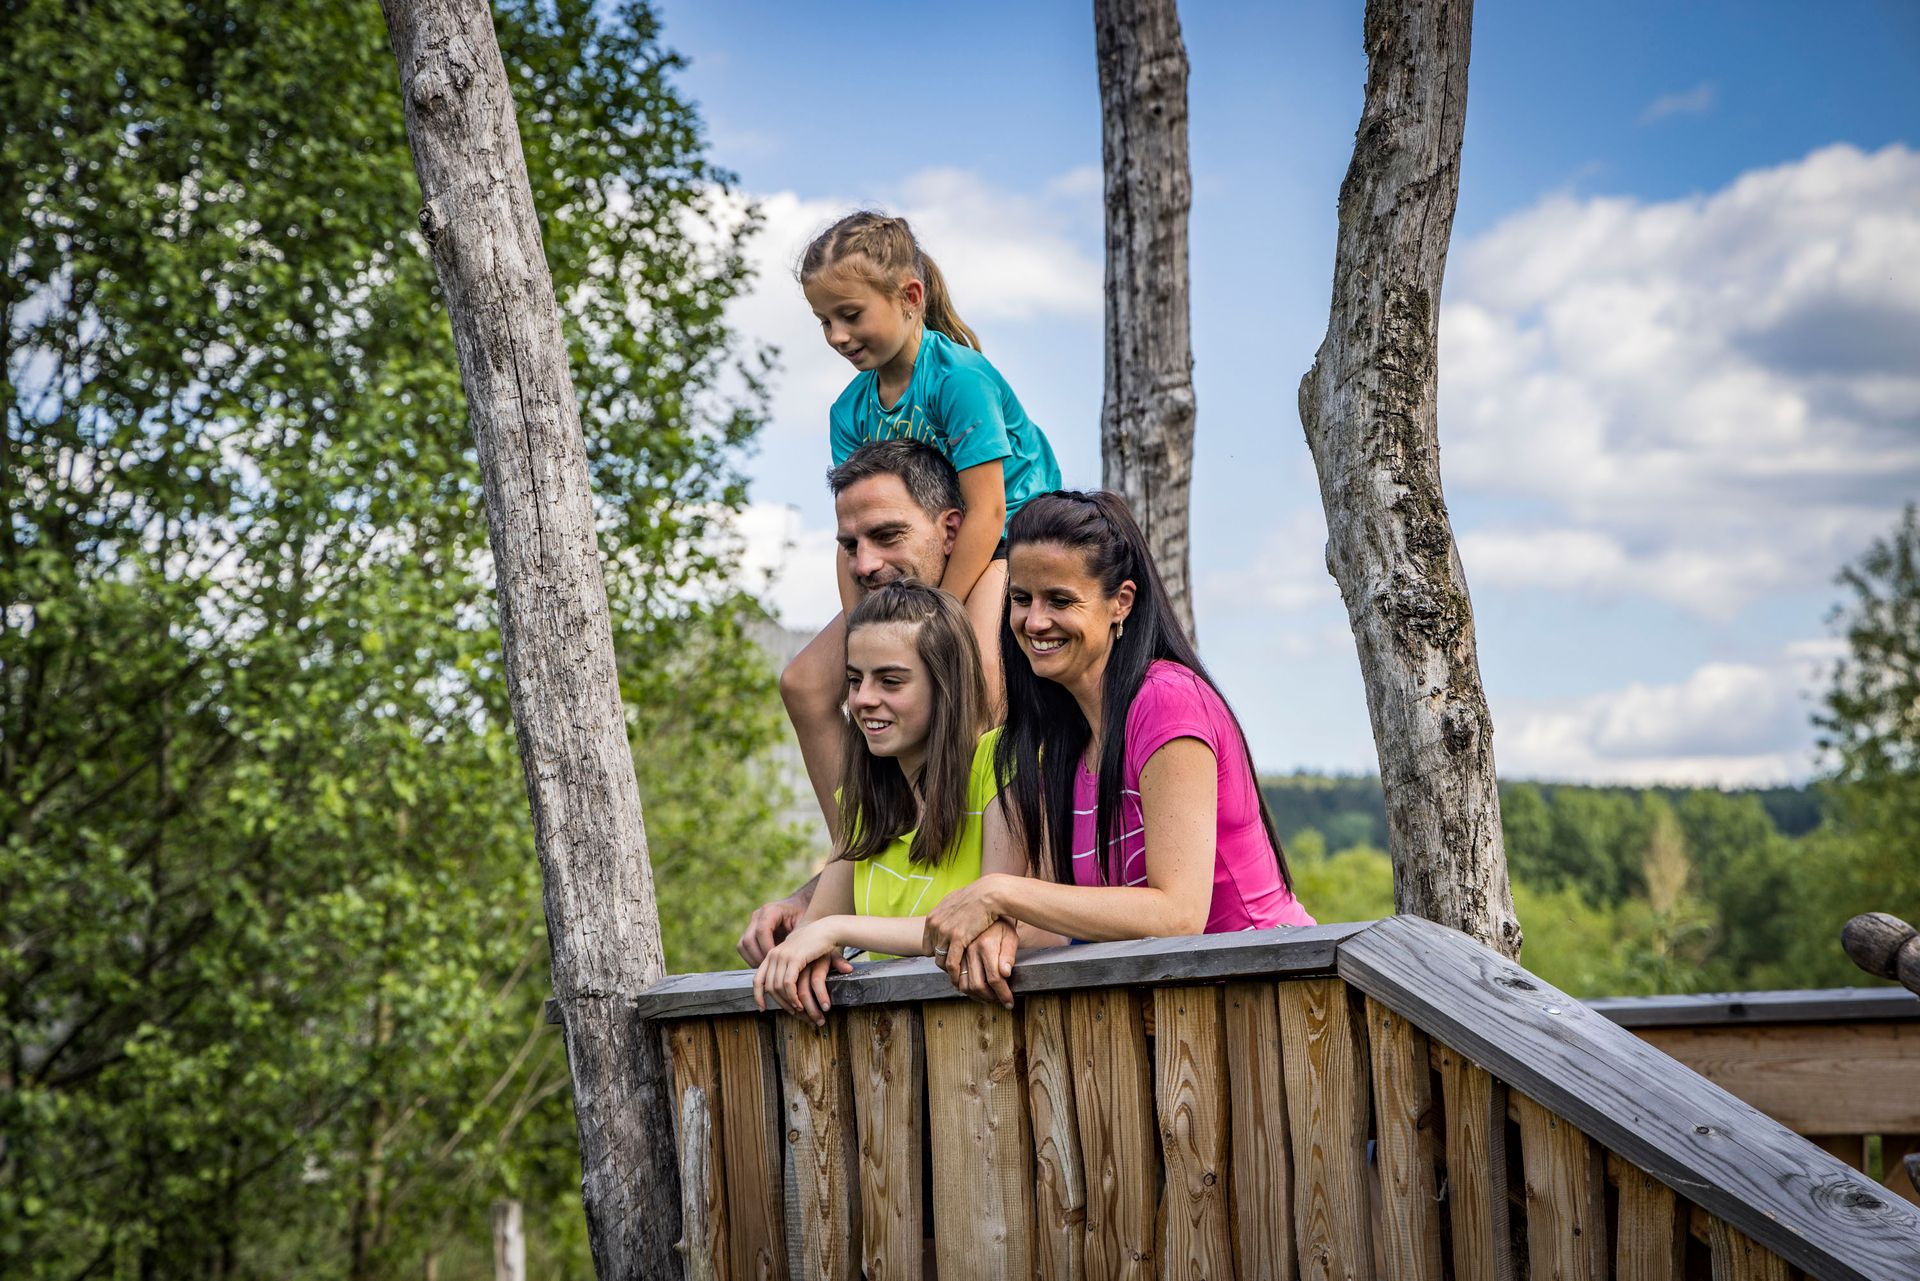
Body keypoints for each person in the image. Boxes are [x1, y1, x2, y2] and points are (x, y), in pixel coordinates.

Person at [924, 491, 1314, 999]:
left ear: (1121, 602)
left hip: (1278, 998)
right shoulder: (1062, 737)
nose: (1035, 621)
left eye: (1060, 600)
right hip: (1185, 1016)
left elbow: (1177, 915)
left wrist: (1002, 897)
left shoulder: (1166, 700)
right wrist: (998, 922)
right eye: (1022, 599)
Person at [779, 211, 1062, 831]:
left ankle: (973, 836)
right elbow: (852, 531)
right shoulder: (849, 410)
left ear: (909, 298)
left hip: (1007, 543)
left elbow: (987, 511)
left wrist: (937, 620)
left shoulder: (958, 379)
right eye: (824, 321)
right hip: (920, 560)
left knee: (980, 679)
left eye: (849, 315)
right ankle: (859, 849)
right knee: (804, 682)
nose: (835, 335)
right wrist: (864, 634)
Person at [753, 581, 1060, 1023]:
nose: (862, 700)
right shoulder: (865, 800)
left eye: (890, 681)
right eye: (855, 680)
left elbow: (978, 927)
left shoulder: (1002, 761)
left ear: (945, 684)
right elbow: (811, 934)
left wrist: (834, 930)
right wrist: (810, 951)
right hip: (897, 1049)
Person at [738, 440, 970, 967]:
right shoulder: (875, 766)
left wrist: (830, 922)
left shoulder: (1000, 642)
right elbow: (877, 839)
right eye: (850, 545)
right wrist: (813, 906)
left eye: (888, 536)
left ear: (950, 530)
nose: (865, 563)